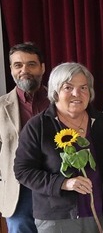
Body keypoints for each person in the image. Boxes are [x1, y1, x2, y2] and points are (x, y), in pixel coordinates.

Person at [13, 62, 103, 233]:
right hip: (57, 218)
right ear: (55, 92)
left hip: (101, 214)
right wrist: (63, 183)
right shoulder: (38, 126)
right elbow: (23, 171)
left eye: (83, 88)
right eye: (68, 87)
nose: (77, 94)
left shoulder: (101, 123)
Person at [0, 42, 48, 233]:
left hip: (53, 187)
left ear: (42, 67)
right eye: (18, 65)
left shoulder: (59, 102)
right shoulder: (1, 107)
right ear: (11, 69)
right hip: (17, 193)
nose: (24, 70)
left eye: (31, 64)